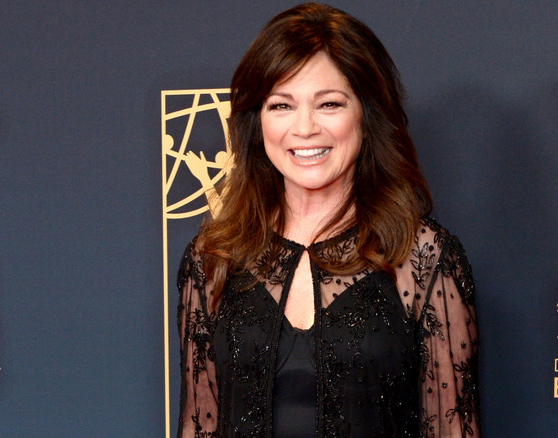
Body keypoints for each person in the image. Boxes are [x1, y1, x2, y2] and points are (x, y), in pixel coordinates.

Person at [177, 3, 480, 437]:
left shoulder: (423, 258)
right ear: (256, 121)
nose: (304, 128)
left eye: (329, 104)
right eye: (281, 105)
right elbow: (196, 425)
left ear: (366, 114)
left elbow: (454, 431)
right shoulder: (213, 258)